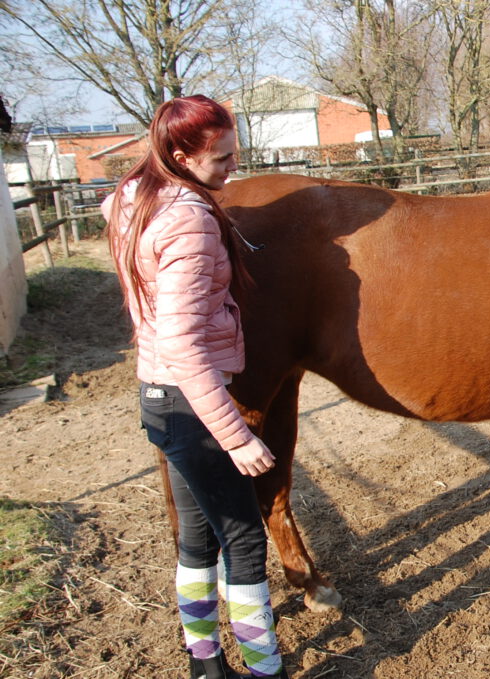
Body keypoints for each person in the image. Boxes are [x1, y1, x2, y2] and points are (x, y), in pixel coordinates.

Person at [103, 95, 286, 679]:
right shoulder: (186, 220)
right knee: (246, 543)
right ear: (181, 155)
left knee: (199, 541)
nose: (234, 169)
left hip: (157, 398)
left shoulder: (135, 198)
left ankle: (204, 664)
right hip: (191, 407)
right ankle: (265, 670)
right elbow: (184, 345)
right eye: (223, 159)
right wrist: (236, 437)